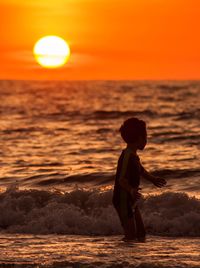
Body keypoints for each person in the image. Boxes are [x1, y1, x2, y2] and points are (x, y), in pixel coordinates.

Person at [112, 117, 166, 242]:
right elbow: (122, 180)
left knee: (141, 234)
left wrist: (153, 179)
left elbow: (140, 170)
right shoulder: (126, 156)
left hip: (130, 198)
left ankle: (135, 258)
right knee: (130, 235)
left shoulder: (133, 155)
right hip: (122, 199)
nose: (146, 140)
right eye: (146, 137)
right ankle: (120, 258)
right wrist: (131, 190)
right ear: (139, 138)